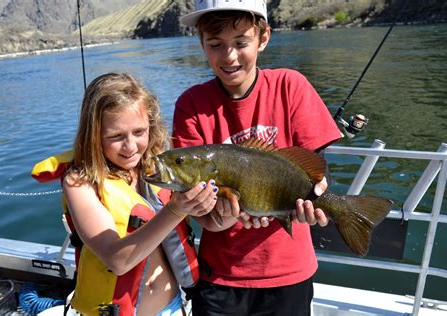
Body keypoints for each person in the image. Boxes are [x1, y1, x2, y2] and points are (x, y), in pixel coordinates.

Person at [173, 1, 343, 315]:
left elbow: (317, 170)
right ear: (202, 44)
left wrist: (318, 197)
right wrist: (222, 216)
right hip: (220, 278)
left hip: (289, 273)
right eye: (216, 44)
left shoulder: (291, 86)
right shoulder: (191, 105)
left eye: (241, 43)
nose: (229, 55)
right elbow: (202, 215)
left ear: (263, 38)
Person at [31, 73, 218, 316]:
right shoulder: (79, 183)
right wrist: (176, 209)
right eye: (116, 136)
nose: (130, 147)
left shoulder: (158, 168)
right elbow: (117, 260)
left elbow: (211, 218)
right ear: (94, 135)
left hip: (173, 306)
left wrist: (214, 207)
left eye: (139, 132)